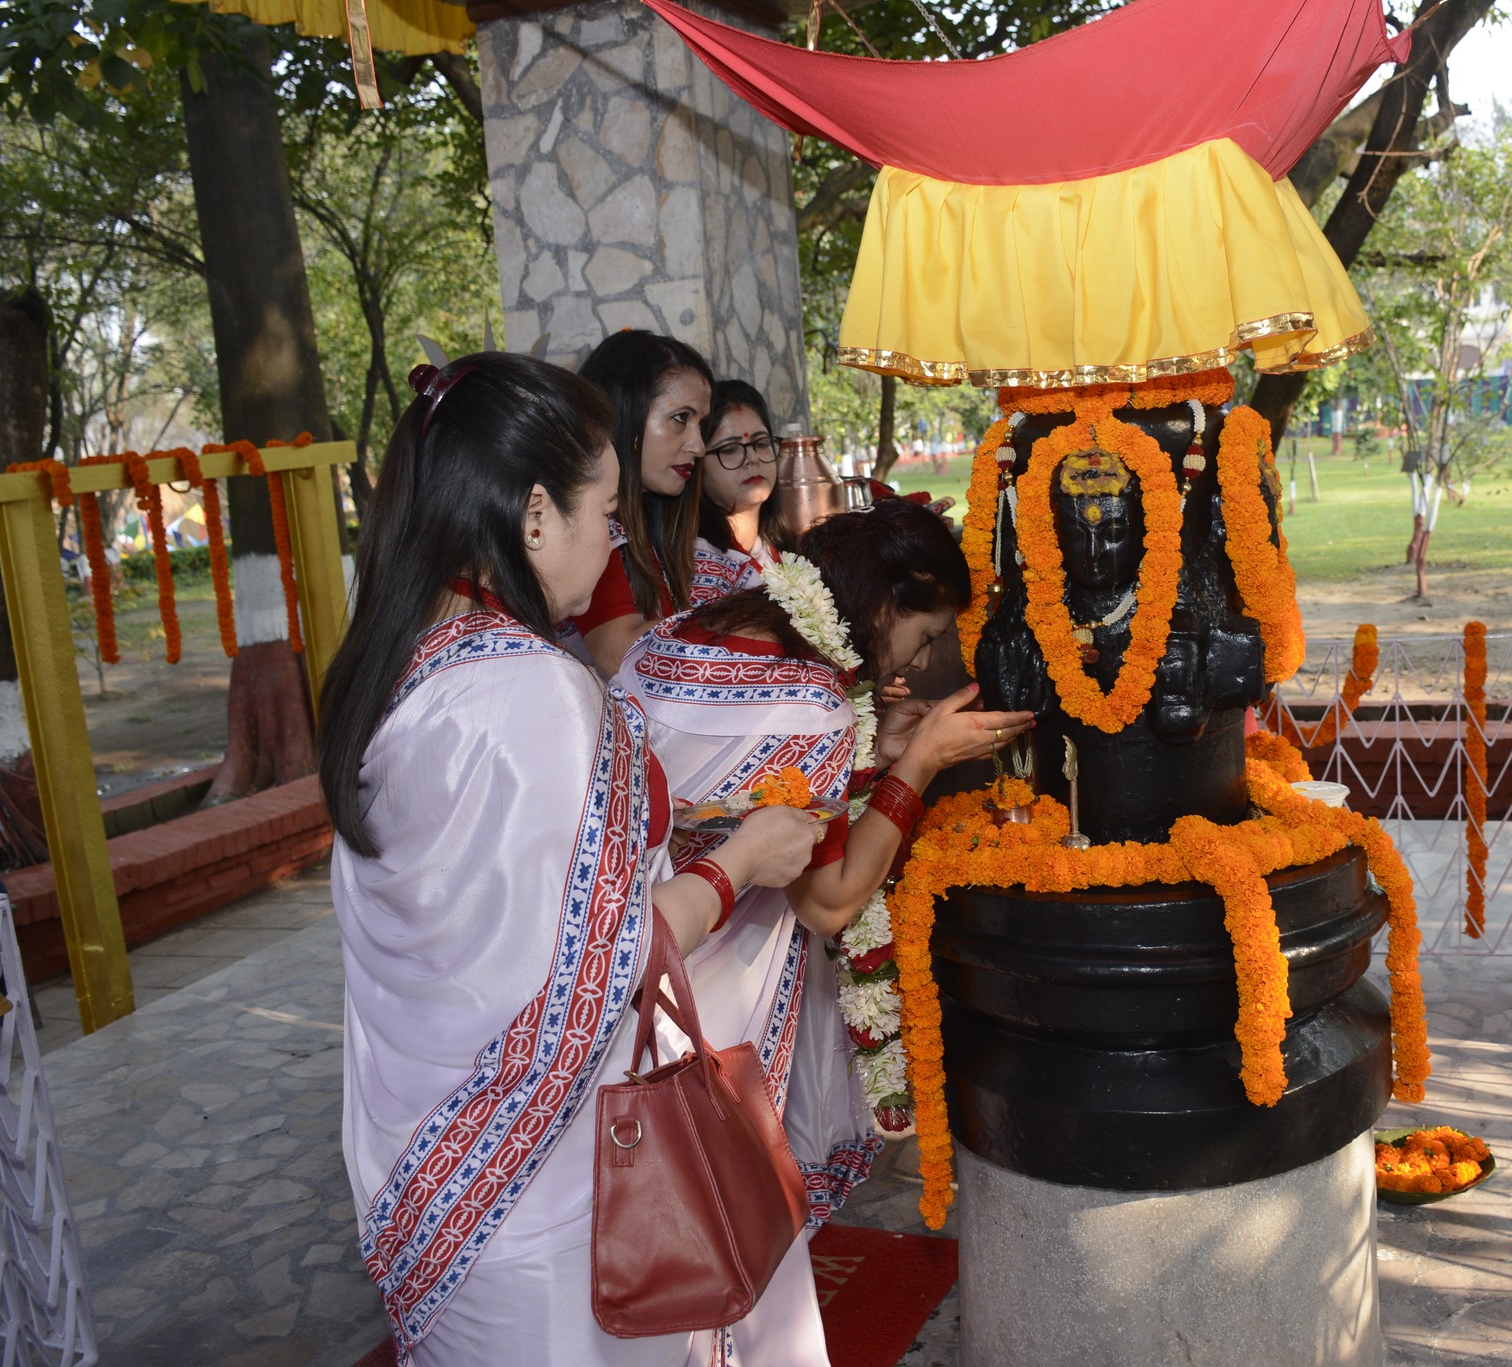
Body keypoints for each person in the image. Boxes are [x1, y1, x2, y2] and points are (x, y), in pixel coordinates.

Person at [320, 352, 821, 1364]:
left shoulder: (398, 654)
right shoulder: (531, 691)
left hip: (425, 1158)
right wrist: (741, 861)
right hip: (542, 1180)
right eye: (607, 510)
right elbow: (597, 968)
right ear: (536, 513)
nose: (614, 537)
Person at [620, 499, 1034, 1234]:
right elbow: (829, 902)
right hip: (711, 977)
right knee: (720, 1220)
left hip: (623, 940)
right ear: (885, 601)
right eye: (926, 635)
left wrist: (868, 753)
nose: (919, 661)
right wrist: (921, 763)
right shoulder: (812, 702)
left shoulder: (681, 632)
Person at [571, 330, 716, 677]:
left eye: (701, 424)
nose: (699, 447)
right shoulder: (587, 522)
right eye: (680, 418)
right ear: (625, 415)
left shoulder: (648, 525)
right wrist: (746, 623)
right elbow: (618, 652)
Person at [691, 379, 791, 605]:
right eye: (730, 449)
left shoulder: (786, 552)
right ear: (697, 467)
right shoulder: (700, 568)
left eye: (761, 443)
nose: (752, 458)